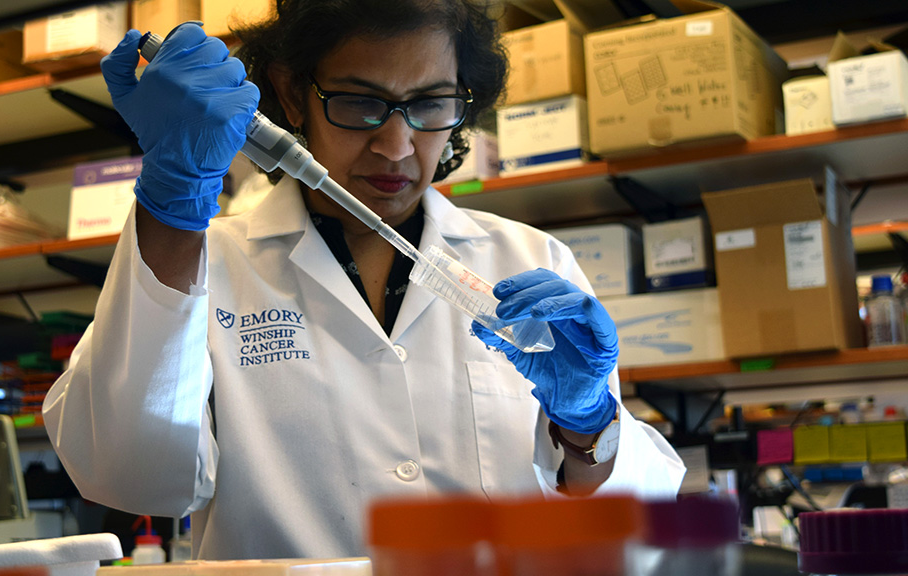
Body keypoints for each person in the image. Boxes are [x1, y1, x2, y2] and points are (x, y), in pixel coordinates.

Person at [43, 0, 685, 561]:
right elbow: (129, 477)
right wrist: (170, 206)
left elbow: (625, 530)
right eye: (359, 102)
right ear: (293, 95)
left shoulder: (530, 259)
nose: (397, 145)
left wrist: (589, 424)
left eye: (430, 103)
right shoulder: (202, 263)